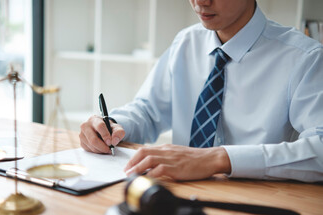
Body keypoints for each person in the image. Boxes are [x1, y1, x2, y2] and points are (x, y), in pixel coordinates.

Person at [79, 0, 323, 183]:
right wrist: (112, 125)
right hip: (177, 197)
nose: (200, 2)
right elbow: (148, 110)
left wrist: (218, 159)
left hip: (258, 207)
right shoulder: (186, 42)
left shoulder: (305, 59)